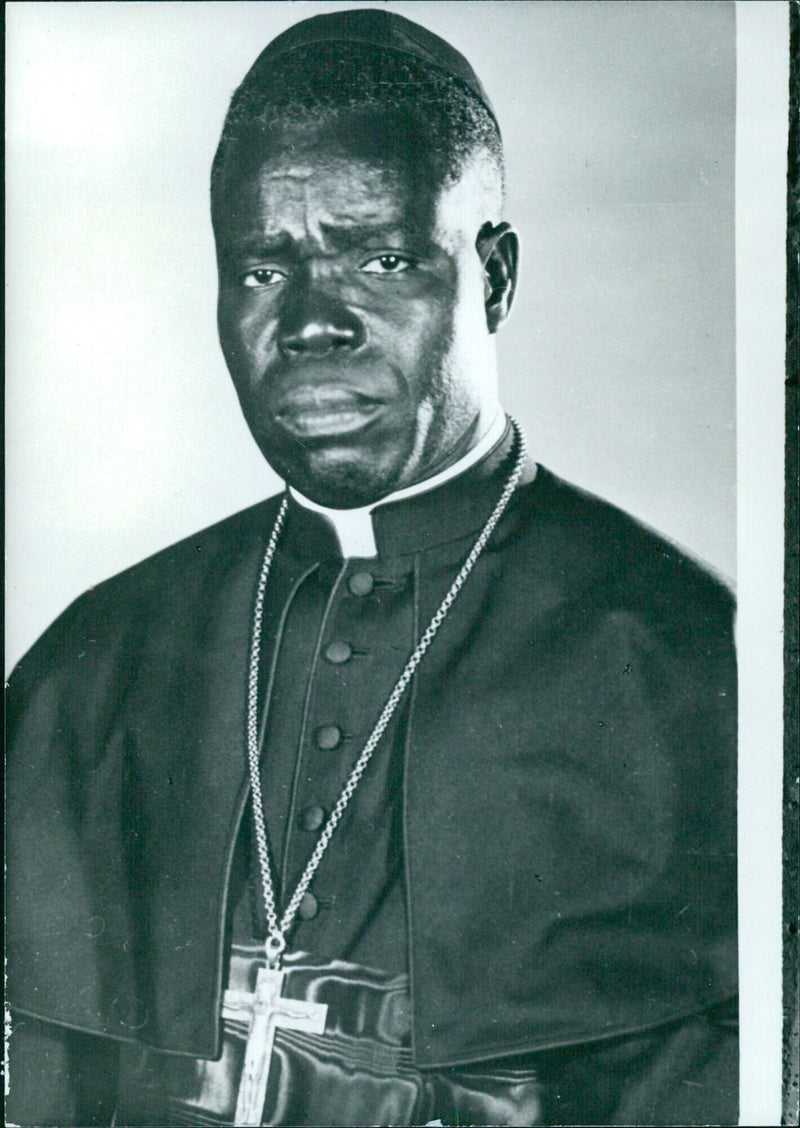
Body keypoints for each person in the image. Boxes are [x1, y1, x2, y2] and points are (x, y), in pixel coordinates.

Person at [6, 9, 737, 1126]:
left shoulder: (680, 660)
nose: (310, 322)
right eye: (262, 268)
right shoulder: (87, 670)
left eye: (382, 257)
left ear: (490, 277)